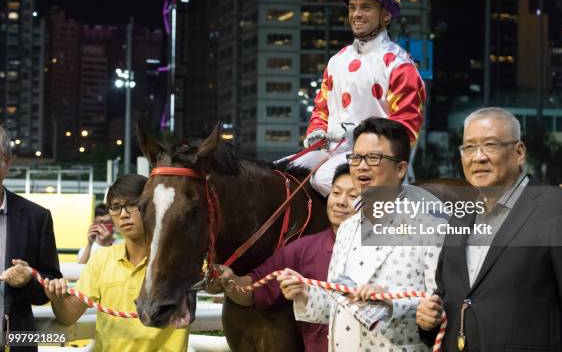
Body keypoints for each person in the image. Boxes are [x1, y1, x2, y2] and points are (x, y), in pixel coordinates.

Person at [417, 107, 562, 351]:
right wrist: (428, 321)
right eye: (469, 147)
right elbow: (448, 297)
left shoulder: (558, 210)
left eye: (490, 145)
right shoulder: (460, 217)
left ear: (519, 152)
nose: (478, 157)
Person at [279, 117, 441, 351]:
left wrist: (391, 305)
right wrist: (305, 293)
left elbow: (440, 308)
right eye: (356, 157)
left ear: (400, 168)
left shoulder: (431, 228)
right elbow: (339, 303)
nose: (361, 166)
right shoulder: (347, 227)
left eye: (374, 158)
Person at [290, 0, 426, 197]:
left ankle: (362, 229)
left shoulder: (400, 65)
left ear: (385, 15)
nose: (356, 14)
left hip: (374, 159)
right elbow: (321, 109)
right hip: (331, 151)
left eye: (366, 7)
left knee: (323, 178)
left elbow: (406, 128)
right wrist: (316, 130)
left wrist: (363, 139)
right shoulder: (337, 61)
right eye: (352, 7)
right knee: (284, 173)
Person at [210, 163, 358, 352]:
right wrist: (229, 279)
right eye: (336, 193)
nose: (341, 202)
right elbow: (253, 289)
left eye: (353, 196)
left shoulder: (386, 250)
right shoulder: (302, 249)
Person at [42, 174, 188, 352]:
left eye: (132, 204)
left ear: (152, 205)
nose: (124, 215)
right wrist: (56, 298)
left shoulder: (180, 258)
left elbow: (219, 288)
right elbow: (69, 316)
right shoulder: (101, 259)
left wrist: (227, 280)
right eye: (116, 207)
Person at [0, 126, 62, 351]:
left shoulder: (37, 217)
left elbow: (51, 281)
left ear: (8, 162)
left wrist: (28, 281)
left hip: (17, 341)